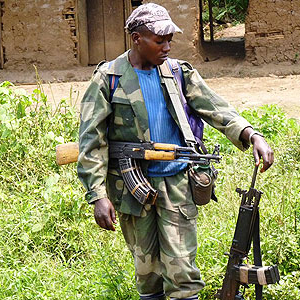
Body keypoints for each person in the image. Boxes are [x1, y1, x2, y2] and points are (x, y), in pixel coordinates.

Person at [77, 3, 274, 300]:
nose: (167, 46)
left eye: (170, 39)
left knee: (183, 273)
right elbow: (91, 140)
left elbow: (216, 107)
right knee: (147, 274)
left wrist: (251, 134)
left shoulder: (178, 73)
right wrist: (98, 195)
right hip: (131, 190)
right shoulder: (109, 78)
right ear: (136, 38)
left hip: (177, 184)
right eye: (159, 41)